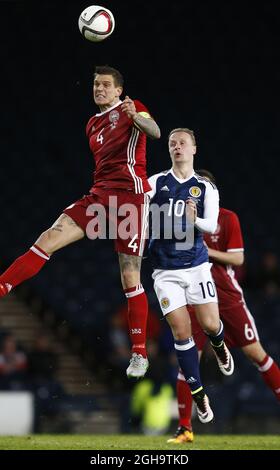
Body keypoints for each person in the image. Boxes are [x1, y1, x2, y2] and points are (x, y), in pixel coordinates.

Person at [0, 65, 161, 378]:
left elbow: (155, 133)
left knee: (130, 278)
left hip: (130, 200)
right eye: (96, 85)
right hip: (98, 198)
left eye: (105, 85)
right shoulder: (91, 124)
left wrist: (136, 116)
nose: (99, 89)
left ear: (118, 90)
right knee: (48, 238)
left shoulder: (133, 108)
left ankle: (139, 353)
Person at [168, 169, 280, 444]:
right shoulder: (182, 220)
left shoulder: (227, 218)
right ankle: (185, 428)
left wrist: (207, 253)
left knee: (257, 354)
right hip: (194, 296)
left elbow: (238, 259)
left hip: (227, 297)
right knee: (187, 360)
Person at [147, 128, 234, 425]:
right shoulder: (154, 184)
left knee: (210, 324)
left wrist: (193, 219)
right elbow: (137, 214)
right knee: (181, 333)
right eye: (172, 143)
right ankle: (198, 394)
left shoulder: (205, 187)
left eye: (182, 143)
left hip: (196, 267)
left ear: (194, 149)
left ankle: (220, 347)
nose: (177, 147)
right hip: (165, 271)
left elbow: (211, 225)